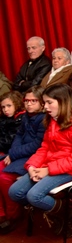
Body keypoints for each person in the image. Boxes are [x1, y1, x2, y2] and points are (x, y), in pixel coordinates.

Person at [9, 84, 72, 237]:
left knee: (34, 196)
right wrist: (32, 166)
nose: (45, 107)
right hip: (52, 165)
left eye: (49, 102)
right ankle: (60, 210)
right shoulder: (54, 119)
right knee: (15, 192)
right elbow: (45, 147)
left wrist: (48, 170)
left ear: (62, 102)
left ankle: (69, 211)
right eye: (45, 102)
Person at [0, 87, 45, 233]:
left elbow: (37, 145)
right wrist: (13, 152)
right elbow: (18, 136)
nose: (29, 104)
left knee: (5, 177)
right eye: (27, 101)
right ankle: (1, 213)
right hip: (19, 154)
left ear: (42, 103)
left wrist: (14, 154)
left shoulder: (43, 119)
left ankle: (14, 216)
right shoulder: (26, 116)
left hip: (32, 156)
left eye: (33, 101)